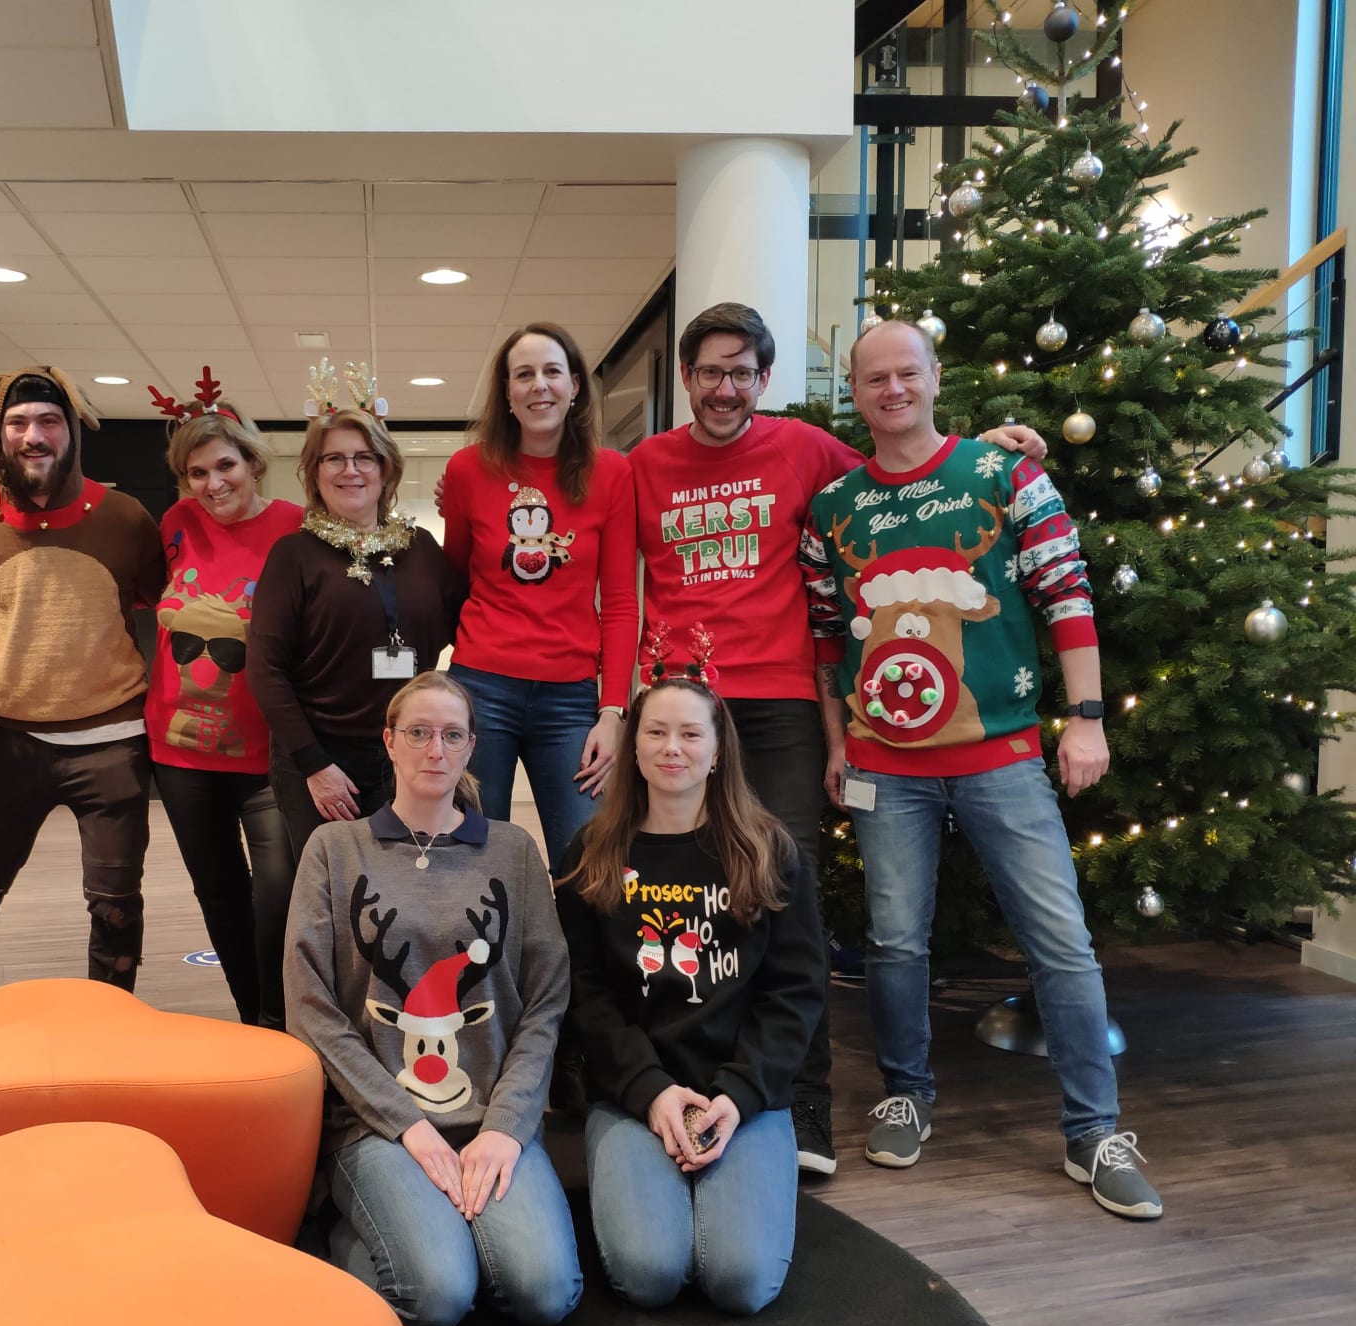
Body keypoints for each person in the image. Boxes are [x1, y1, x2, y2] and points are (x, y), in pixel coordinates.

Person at [628, 301, 1047, 1177]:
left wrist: (989, 449)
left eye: (742, 372)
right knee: (679, 890)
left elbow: (910, 472)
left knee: (786, 897)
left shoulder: (807, 451)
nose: (725, 388)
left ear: (763, 381)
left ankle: (803, 1100)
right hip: (679, 706)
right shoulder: (646, 466)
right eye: (709, 372)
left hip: (779, 703)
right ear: (687, 379)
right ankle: (674, 1080)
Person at [799, 319, 1163, 1221]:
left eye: (906, 373)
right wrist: (839, 744)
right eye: (874, 378)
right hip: (885, 763)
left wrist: (1085, 719)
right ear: (856, 392)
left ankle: (1093, 1130)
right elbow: (824, 640)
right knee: (893, 941)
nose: (892, 389)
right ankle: (906, 1092)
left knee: (1061, 943)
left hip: (1004, 756)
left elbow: (1066, 595)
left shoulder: (1008, 476)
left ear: (933, 378)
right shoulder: (833, 508)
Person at [286, 671, 582, 1326]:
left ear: (472, 746)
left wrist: (506, 1125)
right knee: (438, 1298)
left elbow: (546, 999)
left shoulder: (513, 850)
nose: (435, 750)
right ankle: (338, 1245)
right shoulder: (334, 849)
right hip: (379, 1123)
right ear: (389, 743)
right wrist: (406, 1126)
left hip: (489, 1118)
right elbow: (312, 1008)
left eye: (451, 735)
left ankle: (442, 1231)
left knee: (544, 1293)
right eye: (418, 733)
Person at [555, 666, 825, 1314]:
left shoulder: (768, 850)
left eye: (689, 733)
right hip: (634, 1092)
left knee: (740, 1282)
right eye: (655, 732)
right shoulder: (588, 852)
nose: (672, 748)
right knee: (649, 1274)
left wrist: (739, 1094)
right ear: (634, 746)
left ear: (716, 749)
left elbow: (796, 990)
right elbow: (584, 996)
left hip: (743, 1095)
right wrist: (650, 1092)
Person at [0, 367, 165, 1020]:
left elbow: (168, 605)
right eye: (18, 423)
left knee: (116, 906)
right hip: (15, 742)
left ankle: (108, 1032)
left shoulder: (125, 518)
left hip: (113, 744)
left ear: (71, 432)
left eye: (49, 421)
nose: (34, 436)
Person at [440, 322, 637, 861]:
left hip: (571, 698)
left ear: (575, 385)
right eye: (523, 374)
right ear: (506, 393)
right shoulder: (467, 470)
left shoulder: (612, 474)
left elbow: (620, 603)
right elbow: (452, 579)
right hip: (481, 690)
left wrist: (613, 712)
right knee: (471, 854)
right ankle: (484, 951)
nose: (539, 385)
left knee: (587, 859)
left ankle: (568, 952)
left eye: (552, 371)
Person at [249, 390, 464, 861]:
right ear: (315, 472)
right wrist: (314, 765)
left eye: (364, 457)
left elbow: (462, 620)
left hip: (409, 752)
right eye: (335, 459)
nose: (351, 470)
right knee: (339, 889)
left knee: (411, 881)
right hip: (323, 756)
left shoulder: (422, 547)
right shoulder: (294, 556)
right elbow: (265, 670)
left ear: (385, 467)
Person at [145, 397, 304, 1028]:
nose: (213, 485)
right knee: (220, 897)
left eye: (225, 466)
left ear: (253, 461)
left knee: (278, 898)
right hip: (180, 753)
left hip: (267, 752)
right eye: (197, 474)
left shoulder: (297, 525)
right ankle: (254, 1028)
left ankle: (283, 1023)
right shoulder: (176, 522)